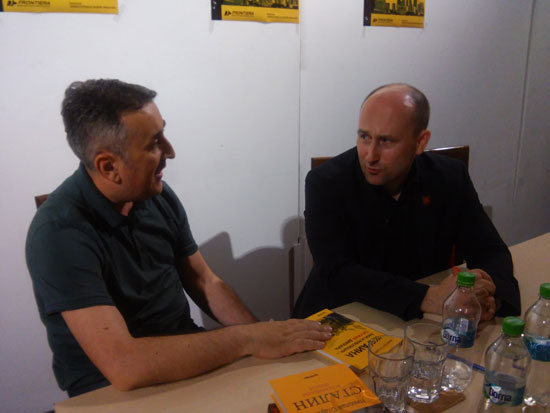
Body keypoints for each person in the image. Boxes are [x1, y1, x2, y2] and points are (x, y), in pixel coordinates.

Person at [26, 79, 332, 397]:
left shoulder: (154, 194)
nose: (170, 151)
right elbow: (125, 366)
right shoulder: (58, 232)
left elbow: (204, 281)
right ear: (109, 166)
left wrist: (263, 338)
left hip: (183, 357)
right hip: (108, 388)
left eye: (163, 134)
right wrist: (250, 339)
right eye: (153, 144)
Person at [293, 83, 520, 322]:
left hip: (423, 322)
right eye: (364, 137)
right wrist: (427, 297)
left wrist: (490, 299)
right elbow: (337, 272)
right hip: (339, 317)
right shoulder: (325, 182)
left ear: (421, 142)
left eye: (386, 141)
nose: (371, 155)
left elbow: (489, 249)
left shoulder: (449, 177)